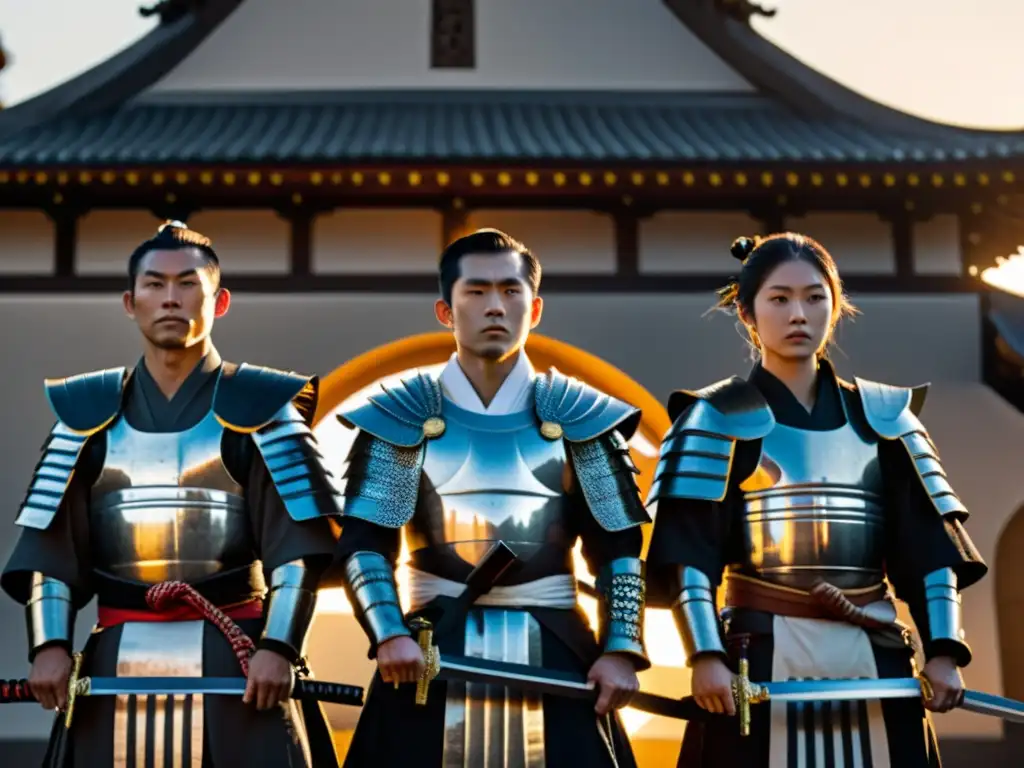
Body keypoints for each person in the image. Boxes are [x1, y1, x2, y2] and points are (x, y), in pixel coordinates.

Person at [2, 221, 343, 768]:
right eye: (155, 285)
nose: (170, 299)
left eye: (187, 284)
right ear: (130, 301)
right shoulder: (85, 414)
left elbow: (297, 548)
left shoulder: (262, 409)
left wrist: (280, 647)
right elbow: (50, 546)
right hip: (116, 648)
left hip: (238, 656)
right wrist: (49, 646)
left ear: (219, 300)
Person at [645, 233, 987, 768]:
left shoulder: (888, 417)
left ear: (836, 304)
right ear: (747, 310)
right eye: (779, 299)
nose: (798, 314)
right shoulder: (714, 418)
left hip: (875, 655)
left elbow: (928, 549)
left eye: (814, 297)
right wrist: (704, 655)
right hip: (755, 655)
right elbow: (692, 554)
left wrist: (943, 651)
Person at [332, 228, 650, 767]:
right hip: (430, 645)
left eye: (510, 291)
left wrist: (620, 648)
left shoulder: (580, 416)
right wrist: (388, 633)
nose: (495, 307)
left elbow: (619, 547)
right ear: (445, 310)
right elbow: (366, 544)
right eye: (475, 292)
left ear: (536, 306)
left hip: (558, 646)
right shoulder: (401, 415)